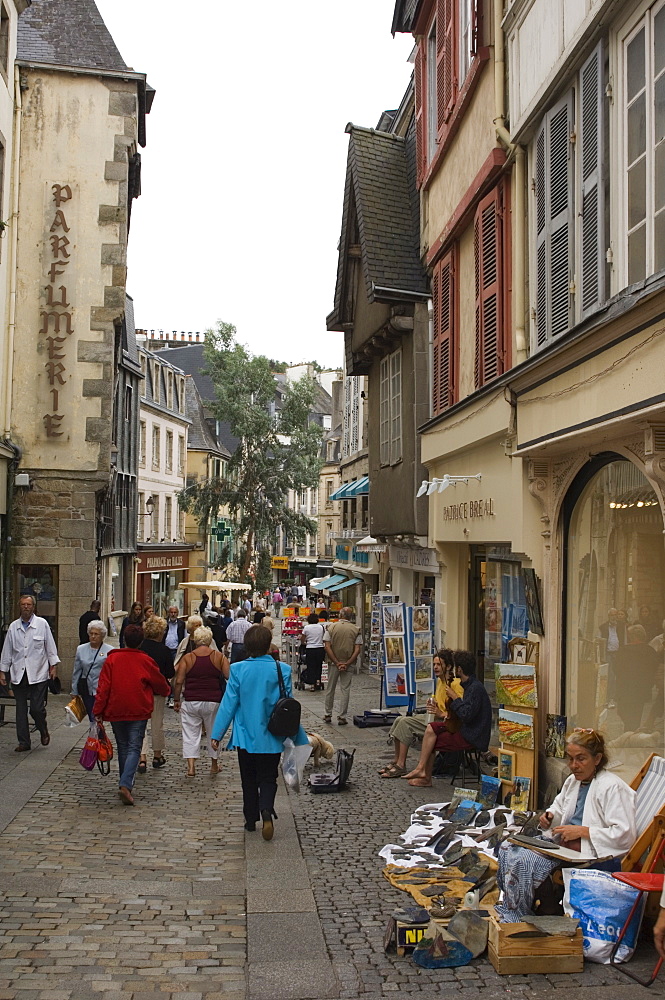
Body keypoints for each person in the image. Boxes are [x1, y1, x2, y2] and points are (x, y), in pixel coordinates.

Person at [496, 728, 636, 921]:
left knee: (526, 861)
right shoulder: (573, 781)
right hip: (564, 845)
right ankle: (532, 906)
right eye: (570, 759)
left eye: (581, 758)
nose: (574, 765)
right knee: (506, 847)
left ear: (597, 759)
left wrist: (583, 831)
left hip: (590, 852)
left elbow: (624, 834)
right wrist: (551, 816)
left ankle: (543, 909)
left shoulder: (612, 787)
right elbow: (560, 807)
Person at [210, 625, 308, 839]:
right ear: (267, 644)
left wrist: (217, 734)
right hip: (273, 733)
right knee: (268, 776)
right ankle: (266, 808)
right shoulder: (281, 669)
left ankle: (250, 818)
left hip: (245, 735)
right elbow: (288, 701)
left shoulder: (237, 669)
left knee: (248, 777)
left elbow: (229, 704)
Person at [93, 625, 170, 805]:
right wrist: (165, 690)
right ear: (141, 642)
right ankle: (125, 784)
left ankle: (125, 782)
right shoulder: (145, 660)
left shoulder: (112, 660)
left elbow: (103, 687)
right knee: (134, 746)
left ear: (124, 640)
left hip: (116, 708)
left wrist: (98, 711)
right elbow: (160, 683)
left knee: (123, 746)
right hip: (138, 709)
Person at [404, 649, 492, 787]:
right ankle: (421, 770)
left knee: (432, 740)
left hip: (472, 734)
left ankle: (424, 775)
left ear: (460, 669)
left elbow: (466, 715)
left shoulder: (475, 688)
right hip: (463, 728)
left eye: (456, 667)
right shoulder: (469, 686)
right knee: (431, 728)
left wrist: (455, 698)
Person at [379, 649, 463, 777]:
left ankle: (401, 765)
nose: (435, 667)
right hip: (434, 717)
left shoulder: (455, 684)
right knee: (398, 720)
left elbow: (461, 711)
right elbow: (437, 702)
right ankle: (396, 760)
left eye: (439, 664)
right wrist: (432, 703)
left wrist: (441, 713)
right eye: (434, 664)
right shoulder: (440, 681)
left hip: (446, 722)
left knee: (406, 723)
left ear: (449, 667)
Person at [0, 595, 60, 751]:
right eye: (23, 604)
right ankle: (24, 742)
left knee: (36, 708)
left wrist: (53, 666)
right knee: (20, 710)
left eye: (28, 604)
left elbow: (50, 647)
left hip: (38, 673)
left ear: (33, 607)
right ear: (19, 607)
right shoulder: (13, 627)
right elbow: (7, 651)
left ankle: (43, 728)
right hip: (19, 673)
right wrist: (3, 671)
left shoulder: (42, 624)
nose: (26, 607)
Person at [173, 625, 229, 777]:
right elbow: (228, 677)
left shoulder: (188, 658)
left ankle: (191, 767)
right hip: (213, 700)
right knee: (214, 733)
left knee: (190, 734)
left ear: (196, 640)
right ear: (210, 639)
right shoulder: (219, 657)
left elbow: (179, 681)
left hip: (191, 700)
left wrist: (177, 699)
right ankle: (214, 764)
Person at [138, 616, 175, 773]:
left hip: (140, 691)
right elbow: (169, 672)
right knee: (157, 724)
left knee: (140, 724)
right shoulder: (164, 650)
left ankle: (142, 757)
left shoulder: (140, 648)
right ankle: (157, 755)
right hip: (157, 692)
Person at [613, 624, 660, 732]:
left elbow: (616, 668)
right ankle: (631, 732)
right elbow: (654, 669)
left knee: (623, 712)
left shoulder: (624, 650)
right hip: (641, 689)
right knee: (636, 713)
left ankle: (630, 733)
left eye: (629, 635)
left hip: (626, 688)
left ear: (634, 636)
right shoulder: (650, 651)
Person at [322, 607, 361, 726]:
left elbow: (327, 646)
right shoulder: (356, 629)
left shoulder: (331, 627)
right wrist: (347, 663)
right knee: (345, 689)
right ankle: (342, 716)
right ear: (351, 616)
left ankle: (328, 714)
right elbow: (358, 648)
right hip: (349, 662)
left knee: (330, 688)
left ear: (340, 615)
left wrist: (336, 662)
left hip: (334, 663)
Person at [71, 620, 113, 722]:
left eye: (96, 634)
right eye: (91, 633)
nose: (93, 636)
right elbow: (77, 671)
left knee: (98, 717)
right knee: (92, 717)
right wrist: (74, 690)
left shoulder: (109, 650)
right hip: (87, 689)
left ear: (102, 636)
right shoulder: (81, 649)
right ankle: (96, 736)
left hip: (102, 690)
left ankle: (97, 736)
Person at [300, 613, 326, 690]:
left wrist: (304, 643)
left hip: (310, 648)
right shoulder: (321, 627)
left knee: (311, 666)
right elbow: (323, 637)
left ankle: (312, 684)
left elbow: (303, 639)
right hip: (320, 648)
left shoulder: (306, 628)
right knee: (319, 665)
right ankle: (318, 680)